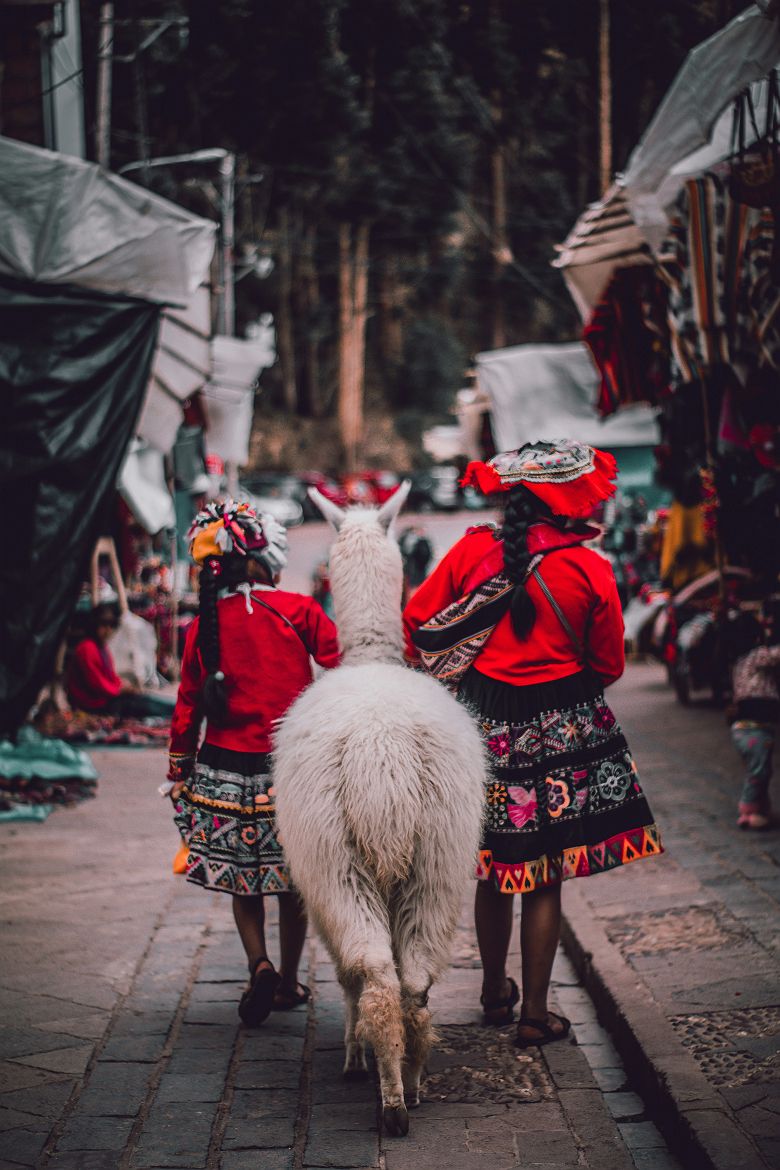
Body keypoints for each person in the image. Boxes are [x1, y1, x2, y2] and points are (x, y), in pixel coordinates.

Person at [403, 441, 663, 1049]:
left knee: (492, 869)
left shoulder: (471, 549)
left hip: (480, 729)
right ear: (567, 500)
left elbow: (418, 623)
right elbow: (608, 663)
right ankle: (536, 1013)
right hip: (563, 730)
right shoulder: (590, 567)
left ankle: (495, 990)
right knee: (545, 875)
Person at [167, 501, 340, 1026]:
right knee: (293, 883)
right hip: (290, 771)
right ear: (268, 557)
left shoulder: (204, 626)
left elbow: (187, 705)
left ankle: (257, 964)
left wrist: (179, 767)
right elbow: (340, 663)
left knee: (245, 882)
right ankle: (288, 982)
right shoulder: (299, 610)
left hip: (223, 771)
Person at [67, 603, 175, 718]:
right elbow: (96, 683)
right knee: (143, 705)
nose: (108, 630)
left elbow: (110, 676)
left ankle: (180, 710)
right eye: (103, 625)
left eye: (111, 625)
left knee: (146, 699)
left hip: (105, 698)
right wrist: (119, 690)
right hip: (94, 704)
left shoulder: (101, 647)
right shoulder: (87, 648)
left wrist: (122, 686)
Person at [726, 611, 780, 830]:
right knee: (759, 770)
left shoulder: (739, 663)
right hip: (755, 726)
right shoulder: (757, 656)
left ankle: (761, 806)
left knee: (760, 768)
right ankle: (748, 810)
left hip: (745, 727)